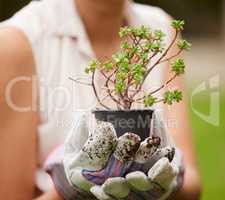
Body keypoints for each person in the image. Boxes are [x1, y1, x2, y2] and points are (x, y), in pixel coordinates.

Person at [0, 0, 201, 199]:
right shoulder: (17, 41)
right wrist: (68, 190)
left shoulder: (162, 29)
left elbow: (193, 185)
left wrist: (171, 180)